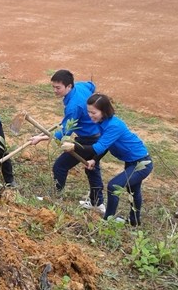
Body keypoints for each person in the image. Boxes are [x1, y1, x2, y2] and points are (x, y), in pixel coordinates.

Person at [61, 93, 153, 226]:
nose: (90, 115)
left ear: (104, 111)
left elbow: (98, 147)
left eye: (93, 112)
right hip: (131, 162)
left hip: (142, 163)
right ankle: (134, 221)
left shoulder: (114, 125)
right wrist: (94, 159)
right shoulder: (102, 122)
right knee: (133, 191)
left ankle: (106, 221)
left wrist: (74, 146)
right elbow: (105, 144)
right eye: (88, 112)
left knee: (113, 186)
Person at [30, 70, 105, 213]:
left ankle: (55, 198)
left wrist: (40, 138)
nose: (55, 91)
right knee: (92, 168)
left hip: (89, 139)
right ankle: (98, 203)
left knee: (60, 166)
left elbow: (64, 133)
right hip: (98, 133)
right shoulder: (82, 86)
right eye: (53, 87)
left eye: (58, 88)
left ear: (69, 86)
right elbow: (92, 85)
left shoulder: (73, 107)